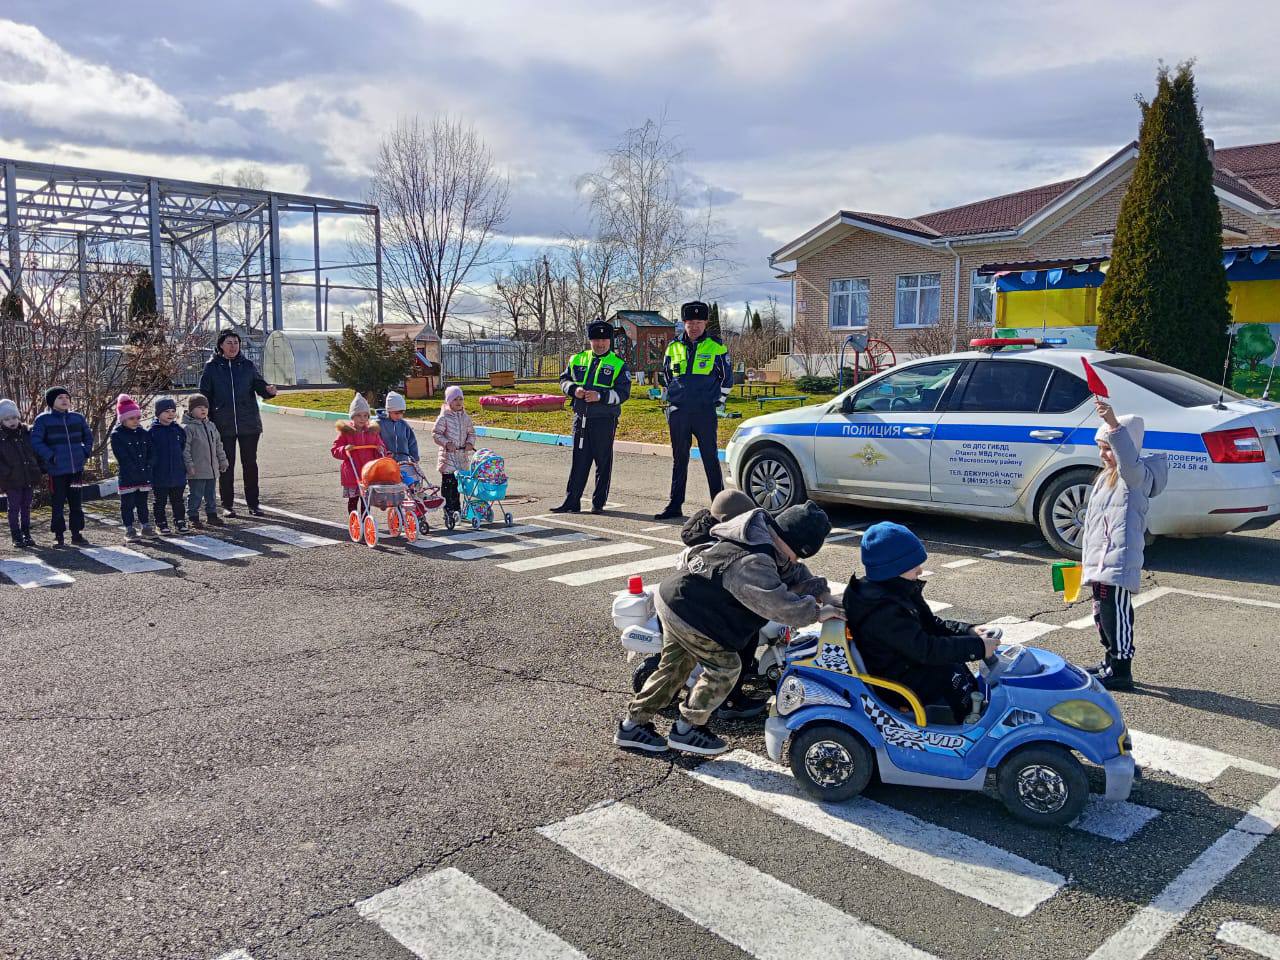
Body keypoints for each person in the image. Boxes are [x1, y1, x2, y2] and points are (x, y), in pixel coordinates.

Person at [615, 500, 841, 757]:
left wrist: (823, 593)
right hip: (691, 612)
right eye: (798, 553)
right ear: (794, 543)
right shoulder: (754, 562)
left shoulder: (762, 535)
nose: (797, 560)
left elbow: (794, 571)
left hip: (675, 599)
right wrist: (817, 613)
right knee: (726, 667)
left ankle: (631, 726)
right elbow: (778, 605)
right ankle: (687, 729)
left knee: (674, 669)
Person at [842, 522, 1001, 723]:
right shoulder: (880, 609)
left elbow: (931, 624)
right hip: (897, 682)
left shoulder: (898, 588)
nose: (920, 570)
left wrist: (969, 631)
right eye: (913, 565)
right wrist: (977, 648)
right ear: (893, 568)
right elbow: (926, 649)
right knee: (948, 668)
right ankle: (964, 718)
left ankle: (971, 709)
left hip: (907, 663)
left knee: (954, 657)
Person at [1081, 398, 1168, 691]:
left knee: (1115, 612)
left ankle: (1121, 667)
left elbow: (1128, 460)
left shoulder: (1136, 477)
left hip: (1119, 561)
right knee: (1101, 612)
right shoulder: (1106, 478)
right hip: (1102, 561)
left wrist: (1114, 425)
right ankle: (1109, 659)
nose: (1104, 454)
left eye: (1109, 448)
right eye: (1101, 448)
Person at [654, 301, 732, 521]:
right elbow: (667, 375)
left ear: (706, 322)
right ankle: (674, 505)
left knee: (710, 458)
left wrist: (717, 401)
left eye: (699, 322)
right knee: (679, 459)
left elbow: (727, 378)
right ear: (684, 323)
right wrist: (676, 398)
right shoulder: (673, 347)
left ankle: (720, 508)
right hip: (679, 411)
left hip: (704, 412)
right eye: (690, 322)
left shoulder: (716, 346)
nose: (694, 326)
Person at [551, 319, 631, 515]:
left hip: (605, 419)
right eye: (596, 340)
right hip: (581, 417)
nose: (600, 343)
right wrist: (573, 389)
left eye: (604, 339)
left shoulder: (619, 364)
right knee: (579, 460)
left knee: (603, 461)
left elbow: (623, 393)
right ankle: (572, 501)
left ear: (610, 341)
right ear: (590, 341)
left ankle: (598, 502)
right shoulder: (577, 359)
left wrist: (600, 396)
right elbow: (564, 379)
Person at [198, 330, 277, 518]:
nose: (233, 346)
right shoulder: (212, 368)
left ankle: (254, 504)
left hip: (248, 424)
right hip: (222, 425)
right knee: (227, 465)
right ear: (221, 346)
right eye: (229, 343)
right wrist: (203, 416)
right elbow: (204, 395)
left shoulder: (247, 366)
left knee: (250, 464)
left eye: (236, 342)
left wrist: (269, 391)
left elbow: (260, 387)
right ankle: (228, 505)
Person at [31, 386, 94, 546]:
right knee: (58, 503)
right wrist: (51, 456)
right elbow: (36, 441)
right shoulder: (43, 420)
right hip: (57, 471)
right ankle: (59, 535)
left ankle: (77, 533)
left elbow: (88, 436)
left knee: (76, 503)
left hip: (76, 471)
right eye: (60, 398)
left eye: (66, 397)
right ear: (51, 402)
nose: (64, 400)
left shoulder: (77, 418)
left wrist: (84, 452)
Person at [109, 394, 154, 542]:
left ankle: (145, 525)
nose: (135, 421)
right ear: (123, 419)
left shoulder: (143, 433)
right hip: (128, 476)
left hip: (143, 475)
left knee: (142, 503)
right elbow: (122, 457)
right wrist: (134, 468)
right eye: (131, 418)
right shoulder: (117, 435)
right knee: (127, 504)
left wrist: (149, 466)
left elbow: (150, 452)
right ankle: (129, 528)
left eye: (137, 418)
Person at [332, 394, 386, 516]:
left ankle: (365, 519)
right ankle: (354, 519)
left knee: (366, 499)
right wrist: (345, 449)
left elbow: (381, 447)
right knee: (353, 499)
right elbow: (335, 449)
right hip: (352, 472)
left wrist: (380, 449)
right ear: (352, 416)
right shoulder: (346, 432)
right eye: (359, 416)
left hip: (368, 472)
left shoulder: (372, 432)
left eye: (365, 415)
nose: (362, 419)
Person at [183, 394, 229, 530]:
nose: (203, 410)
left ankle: (212, 515)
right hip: (196, 469)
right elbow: (185, 450)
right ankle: (193, 516)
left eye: (205, 407)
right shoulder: (188, 428)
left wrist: (222, 460)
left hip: (212, 469)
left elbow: (218, 445)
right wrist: (189, 465)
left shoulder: (211, 426)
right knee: (196, 494)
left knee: (211, 494)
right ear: (191, 410)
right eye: (199, 407)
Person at [0, 398, 42, 548]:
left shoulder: (27, 432)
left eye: (14, 417)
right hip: (11, 480)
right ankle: (16, 535)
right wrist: (6, 473)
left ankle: (26, 532)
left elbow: (35, 452)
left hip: (28, 476)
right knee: (14, 508)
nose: (12, 421)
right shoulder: (2, 437)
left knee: (26, 506)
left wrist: (37, 468)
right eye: (7, 419)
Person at [433, 385, 477, 516]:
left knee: (458, 485)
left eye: (460, 399)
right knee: (448, 484)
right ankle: (448, 509)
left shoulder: (465, 417)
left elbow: (471, 433)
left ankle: (457, 509)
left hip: (461, 456)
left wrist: (470, 442)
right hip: (448, 457)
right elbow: (436, 434)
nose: (458, 402)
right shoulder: (444, 417)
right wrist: (447, 443)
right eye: (455, 399)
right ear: (449, 401)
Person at [148, 396, 187, 534]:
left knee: (178, 500)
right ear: (158, 414)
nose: (171, 414)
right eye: (166, 411)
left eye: (173, 411)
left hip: (177, 473)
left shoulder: (178, 430)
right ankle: (161, 523)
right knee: (160, 501)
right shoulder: (152, 432)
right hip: (160, 474)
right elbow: (149, 452)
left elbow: (182, 446)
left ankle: (180, 521)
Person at [377, 391, 420, 464]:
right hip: (385, 463)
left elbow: (412, 442)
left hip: (403, 462)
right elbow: (376, 442)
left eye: (402, 413)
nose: (399, 416)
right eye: (396, 413)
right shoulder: (379, 424)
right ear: (389, 411)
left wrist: (415, 457)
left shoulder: (403, 424)